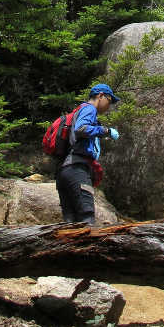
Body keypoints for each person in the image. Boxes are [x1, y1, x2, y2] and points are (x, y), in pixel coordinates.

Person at [55, 82, 120, 225]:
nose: (109, 106)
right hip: (77, 170)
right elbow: (81, 129)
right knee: (87, 217)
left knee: (70, 221)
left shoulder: (79, 110)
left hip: (64, 171)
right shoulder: (89, 109)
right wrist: (105, 131)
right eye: (109, 101)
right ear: (100, 96)